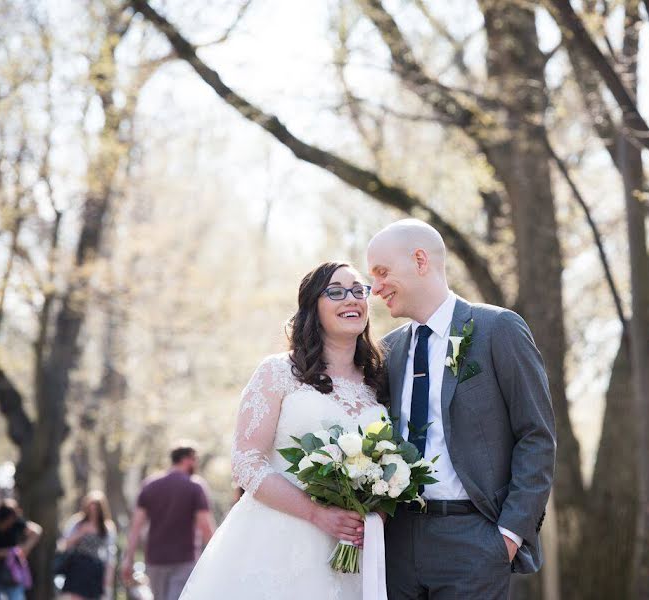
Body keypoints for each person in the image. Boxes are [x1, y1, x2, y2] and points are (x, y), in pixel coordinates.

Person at [367, 219, 556, 599]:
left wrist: (508, 535)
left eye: (382, 272)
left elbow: (536, 436)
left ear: (420, 260)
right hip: (396, 543)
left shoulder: (497, 329)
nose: (375, 288)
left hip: (474, 542)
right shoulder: (388, 351)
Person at [175, 261, 388, 599]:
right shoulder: (277, 373)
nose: (351, 299)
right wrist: (316, 513)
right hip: (278, 541)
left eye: (358, 290)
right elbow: (246, 462)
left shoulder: (379, 382)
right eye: (335, 291)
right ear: (312, 307)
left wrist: (374, 511)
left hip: (353, 553)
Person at [121, 445, 215, 600]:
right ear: (186, 459)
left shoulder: (150, 485)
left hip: (155, 560)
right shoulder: (195, 487)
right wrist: (215, 556)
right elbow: (205, 526)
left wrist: (128, 559)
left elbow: (136, 526)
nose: (196, 464)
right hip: (184, 559)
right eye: (195, 459)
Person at [58, 491, 117, 600]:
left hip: (95, 568)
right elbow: (65, 544)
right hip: (78, 566)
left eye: (96, 508)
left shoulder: (107, 527)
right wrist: (81, 532)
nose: (93, 511)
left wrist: (109, 574)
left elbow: (110, 553)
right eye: (91, 507)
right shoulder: (77, 523)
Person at [0, 499, 42, 600]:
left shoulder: (16, 524)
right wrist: (7, 552)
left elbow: (36, 531)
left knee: (17, 597)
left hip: (12, 570)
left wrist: (24, 548)